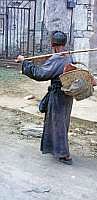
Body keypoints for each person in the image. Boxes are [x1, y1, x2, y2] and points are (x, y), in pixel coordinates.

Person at [17, 31, 75, 165]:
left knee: (58, 124)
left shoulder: (58, 59)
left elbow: (40, 74)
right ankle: (57, 150)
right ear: (64, 43)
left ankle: (64, 155)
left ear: (52, 44)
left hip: (58, 96)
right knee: (60, 123)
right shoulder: (68, 56)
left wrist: (25, 62)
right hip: (67, 96)